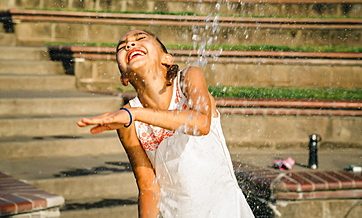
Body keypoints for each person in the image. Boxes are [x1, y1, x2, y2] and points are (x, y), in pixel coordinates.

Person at [77, 29, 254, 218]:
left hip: (225, 210)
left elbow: (201, 124)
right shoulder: (129, 121)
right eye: (122, 47)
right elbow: (148, 188)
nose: (129, 45)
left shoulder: (188, 79)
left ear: (167, 59)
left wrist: (135, 114)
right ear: (124, 78)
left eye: (140, 39)